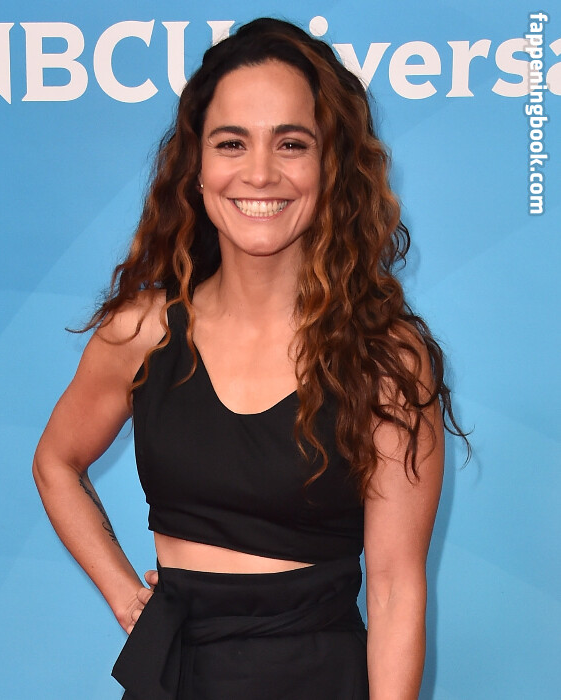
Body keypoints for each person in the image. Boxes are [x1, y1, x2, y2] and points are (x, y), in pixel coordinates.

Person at [33, 17, 467, 700]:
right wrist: (124, 595)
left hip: (320, 679)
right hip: (176, 677)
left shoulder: (384, 359)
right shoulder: (140, 333)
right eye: (231, 142)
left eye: (291, 143)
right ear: (196, 168)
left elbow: (393, 588)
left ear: (330, 167)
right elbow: (56, 462)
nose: (260, 172)